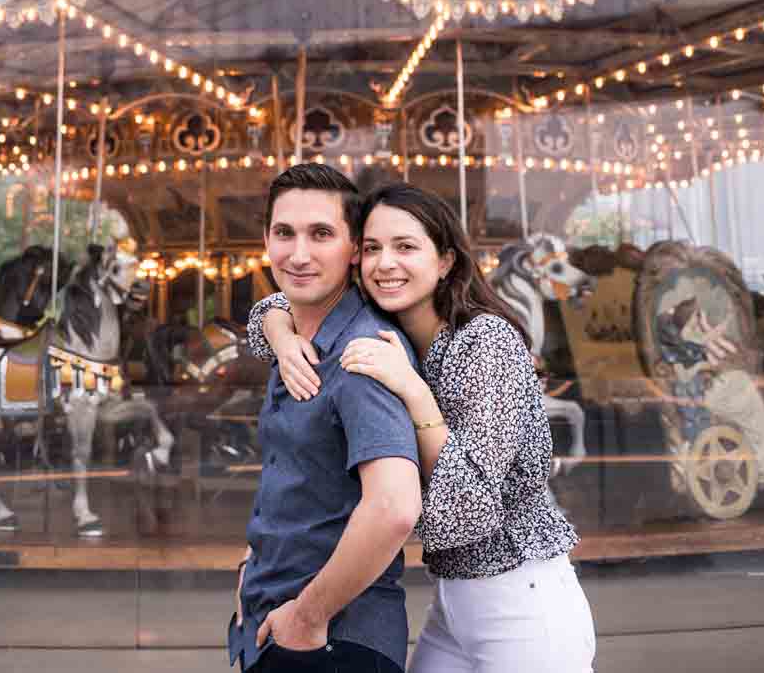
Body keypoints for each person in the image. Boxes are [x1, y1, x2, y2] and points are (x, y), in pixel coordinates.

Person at [250, 184, 596, 673]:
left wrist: (414, 391)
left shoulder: (485, 343)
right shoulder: (396, 335)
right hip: (455, 600)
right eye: (372, 248)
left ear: (446, 260)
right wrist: (282, 338)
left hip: (522, 593)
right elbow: (269, 309)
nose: (385, 263)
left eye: (406, 247)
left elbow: (468, 509)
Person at [230, 163, 422, 672]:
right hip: (279, 621)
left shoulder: (363, 353)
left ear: (355, 249)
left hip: (332, 641)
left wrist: (307, 616)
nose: (298, 254)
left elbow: (395, 506)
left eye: (321, 234)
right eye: (284, 233)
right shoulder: (296, 334)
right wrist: (262, 563)